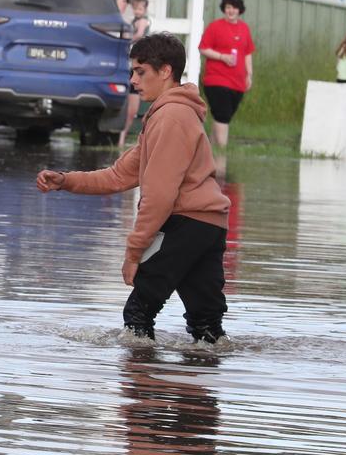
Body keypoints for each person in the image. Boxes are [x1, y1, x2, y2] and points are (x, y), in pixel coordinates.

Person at [36, 33, 230, 344]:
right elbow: (118, 176)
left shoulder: (171, 118)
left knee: (138, 313)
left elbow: (160, 196)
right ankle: (199, 389)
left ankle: (140, 387)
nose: (133, 80)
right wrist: (66, 180)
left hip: (186, 224)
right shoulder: (168, 115)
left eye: (140, 72)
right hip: (209, 225)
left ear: (165, 71)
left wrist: (134, 253)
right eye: (132, 72)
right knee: (207, 327)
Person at [198, 0, 253, 147]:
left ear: (239, 10)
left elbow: (247, 53)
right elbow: (203, 48)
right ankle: (222, 155)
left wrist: (249, 74)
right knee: (222, 116)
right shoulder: (215, 26)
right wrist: (222, 57)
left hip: (237, 83)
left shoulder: (244, 29)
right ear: (224, 8)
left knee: (223, 118)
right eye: (228, 7)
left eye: (234, 7)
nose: (231, 11)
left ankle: (208, 154)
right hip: (217, 80)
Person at [117, 0, 152, 146]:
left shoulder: (143, 21)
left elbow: (138, 35)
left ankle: (124, 138)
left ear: (144, 8)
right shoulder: (134, 20)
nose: (137, 11)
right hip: (133, 64)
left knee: (133, 108)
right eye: (135, 8)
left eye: (140, 8)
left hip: (139, 64)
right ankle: (121, 138)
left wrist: (125, 40)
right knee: (130, 107)